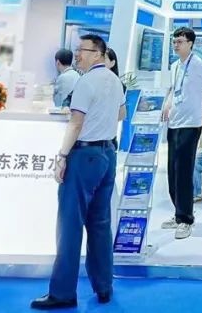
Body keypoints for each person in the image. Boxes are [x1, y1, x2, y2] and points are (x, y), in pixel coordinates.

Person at [32, 34, 125, 310]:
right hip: (107, 153)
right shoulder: (114, 80)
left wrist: (62, 156)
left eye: (82, 50)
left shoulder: (86, 82)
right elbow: (121, 114)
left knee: (70, 225)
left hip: (84, 155)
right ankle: (104, 286)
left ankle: (62, 293)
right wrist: (102, 118)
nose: (77, 55)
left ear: (98, 53)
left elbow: (75, 123)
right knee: (100, 223)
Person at [161, 26, 202, 240]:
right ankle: (178, 213)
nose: (176, 45)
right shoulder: (174, 66)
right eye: (174, 41)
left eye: (180, 41)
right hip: (174, 123)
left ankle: (186, 219)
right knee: (172, 171)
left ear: (190, 44)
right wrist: (167, 104)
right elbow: (173, 89)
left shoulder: (197, 64)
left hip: (190, 124)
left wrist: (201, 100)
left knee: (184, 171)